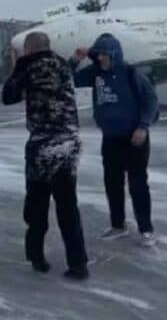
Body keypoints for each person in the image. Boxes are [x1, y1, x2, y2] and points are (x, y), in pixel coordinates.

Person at [2, 32, 89, 280]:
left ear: (28, 49)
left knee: (37, 205)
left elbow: (8, 96)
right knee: (68, 207)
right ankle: (78, 264)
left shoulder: (27, 66)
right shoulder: (61, 64)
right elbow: (61, 77)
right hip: (69, 144)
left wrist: (16, 64)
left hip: (43, 147)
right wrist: (74, 60)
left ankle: (36, 256)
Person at [70, 33, 159, 247]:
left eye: (104, 54)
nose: (101, 58)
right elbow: (70, 79)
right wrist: (75, 60)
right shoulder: (95, 73)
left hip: (134, 137)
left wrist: (143, 127)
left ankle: (146, 229)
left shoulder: (131, 73)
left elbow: (151, 100)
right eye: (97, 54)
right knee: (112, 182)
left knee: (137, 183)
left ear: (115, 54)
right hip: (110, 137)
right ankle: (118, 224)